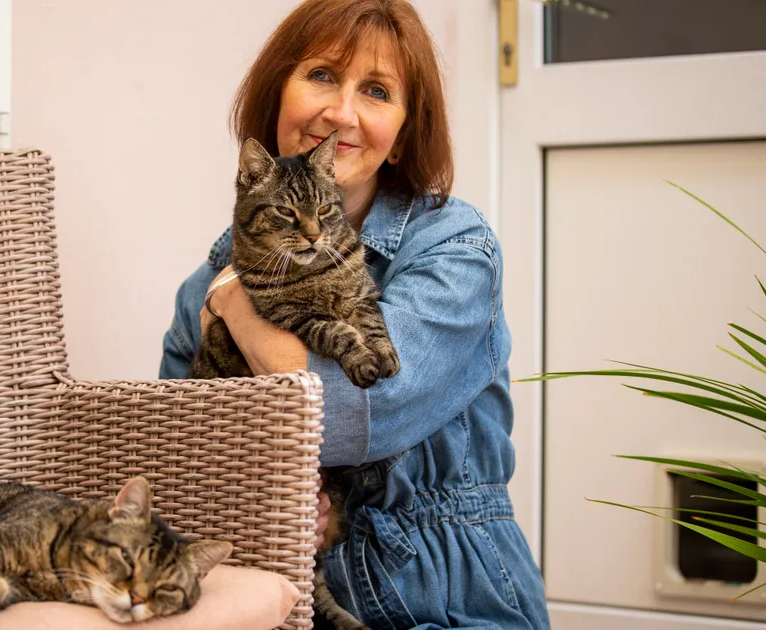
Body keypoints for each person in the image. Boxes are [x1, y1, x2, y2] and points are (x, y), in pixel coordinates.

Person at [158, 1, 550, 628]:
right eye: (319, 75)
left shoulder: (454, 247)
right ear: (277, 97)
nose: (341, 112)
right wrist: (260, 509)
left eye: (376, 90)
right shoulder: (200, 286)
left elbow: (353, 411)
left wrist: (239, 309)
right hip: (273, 600)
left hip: (445, 601)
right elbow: (179, 468)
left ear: (401, 135)